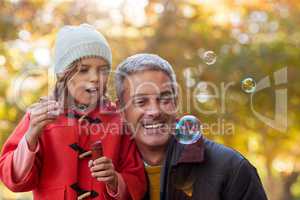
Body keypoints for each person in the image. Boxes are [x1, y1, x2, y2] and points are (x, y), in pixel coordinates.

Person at [0, 24, 146, 200]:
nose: (95, 78)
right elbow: (13, 179)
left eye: (103, 70)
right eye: (84, 70)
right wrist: (30, 137)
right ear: (63, 75)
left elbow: (137, 181)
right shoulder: (39, 118)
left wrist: (115, 180)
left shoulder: (118, 120)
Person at [114, 53, 268, 200]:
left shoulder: (231, 168)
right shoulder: (105, 174)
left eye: (165, 99)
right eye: (141, 102)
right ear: (121, 110)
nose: (155, 111)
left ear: (176, 102)